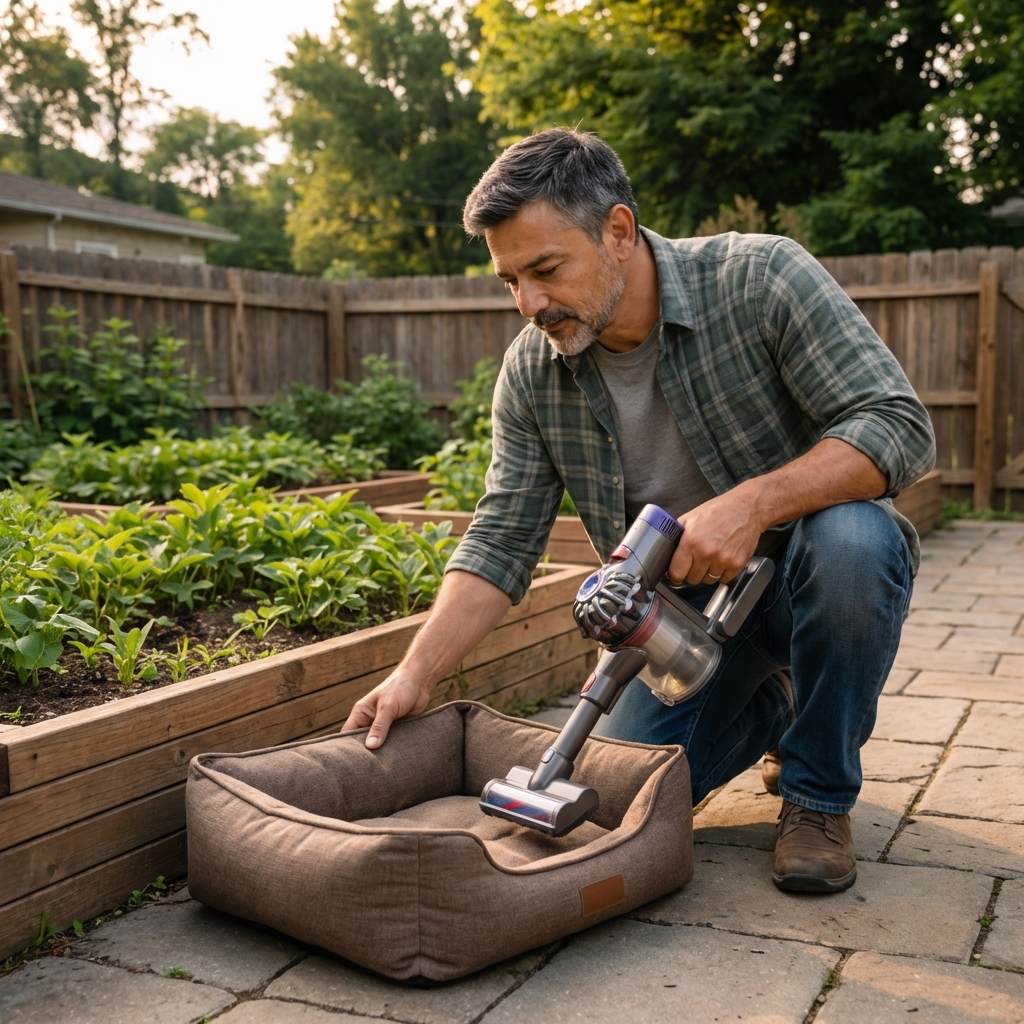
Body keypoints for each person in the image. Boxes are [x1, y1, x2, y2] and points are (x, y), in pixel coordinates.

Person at [343, 128, 935, 894]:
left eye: (546, 269)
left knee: (856, 540)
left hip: (804, 578)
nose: (530, 304)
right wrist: (412, 676)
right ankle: (776, 709)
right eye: (509, 281)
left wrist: (750, 505)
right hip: (679, 617)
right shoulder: (533, 373)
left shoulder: (761, 278)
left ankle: (817, 794)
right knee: (619, 801)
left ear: (618, 231)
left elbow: (897, 425)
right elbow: (501, 537)